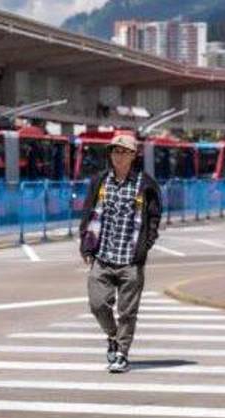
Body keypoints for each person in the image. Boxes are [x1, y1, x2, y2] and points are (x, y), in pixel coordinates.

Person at [78, 133, 163, 374]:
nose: (118, 155)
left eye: (123, 151)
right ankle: (113, 336)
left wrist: (146, 244)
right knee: (97, 304)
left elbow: (155, 216)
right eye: (115, 151)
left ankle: (122, 354)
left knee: (127, 312)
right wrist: (86, 244)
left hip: (130, 259)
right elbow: (89, 211)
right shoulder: (100, 181)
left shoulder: (145, 184)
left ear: (134, 155)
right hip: (103, 256)